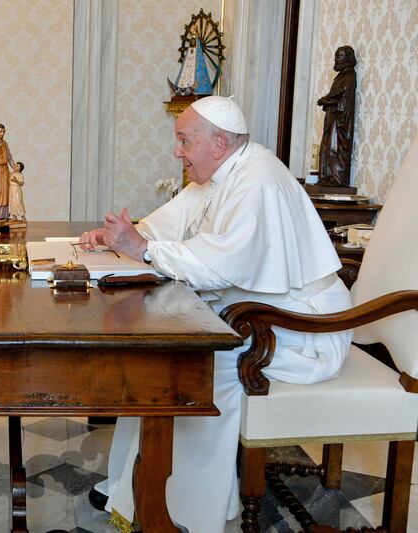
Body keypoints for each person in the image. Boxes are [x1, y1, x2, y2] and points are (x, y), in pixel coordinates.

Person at [82, 96, 352, 533]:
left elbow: (219, 266)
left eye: (183, 140)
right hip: (257, 316)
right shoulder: (218, 172)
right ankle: (127, 486)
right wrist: (120, 237)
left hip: (303, 328)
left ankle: (180, 509)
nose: (177, 152)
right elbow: (165, 225)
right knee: (153, 357)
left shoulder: (258, 179)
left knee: (192, 363)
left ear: (219, 143)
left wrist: (143, 249)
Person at [317, 46, 357, 187]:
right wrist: (326, 100)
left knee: (335, 149)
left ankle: (337, 178)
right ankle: (326, 176)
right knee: (326, 149)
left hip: (340, 121)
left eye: (339, 56)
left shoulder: (350, 76)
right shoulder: (339, 77)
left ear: (347, 59)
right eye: (336, 56)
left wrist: (326, 100)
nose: (335, 59)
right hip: (331, 119)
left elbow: (343, 98)